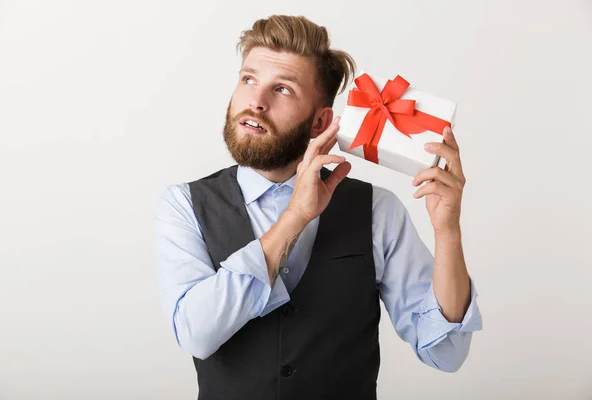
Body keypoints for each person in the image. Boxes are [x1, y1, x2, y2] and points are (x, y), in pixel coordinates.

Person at [154, 14, 482, 400]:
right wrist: (296, 217)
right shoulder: (184, 205)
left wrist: (448, 232)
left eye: (283, 90)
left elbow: (446, 352)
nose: (256, 102)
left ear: (320, 122)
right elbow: (196, 333)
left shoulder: (377, 211)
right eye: (248, 80)